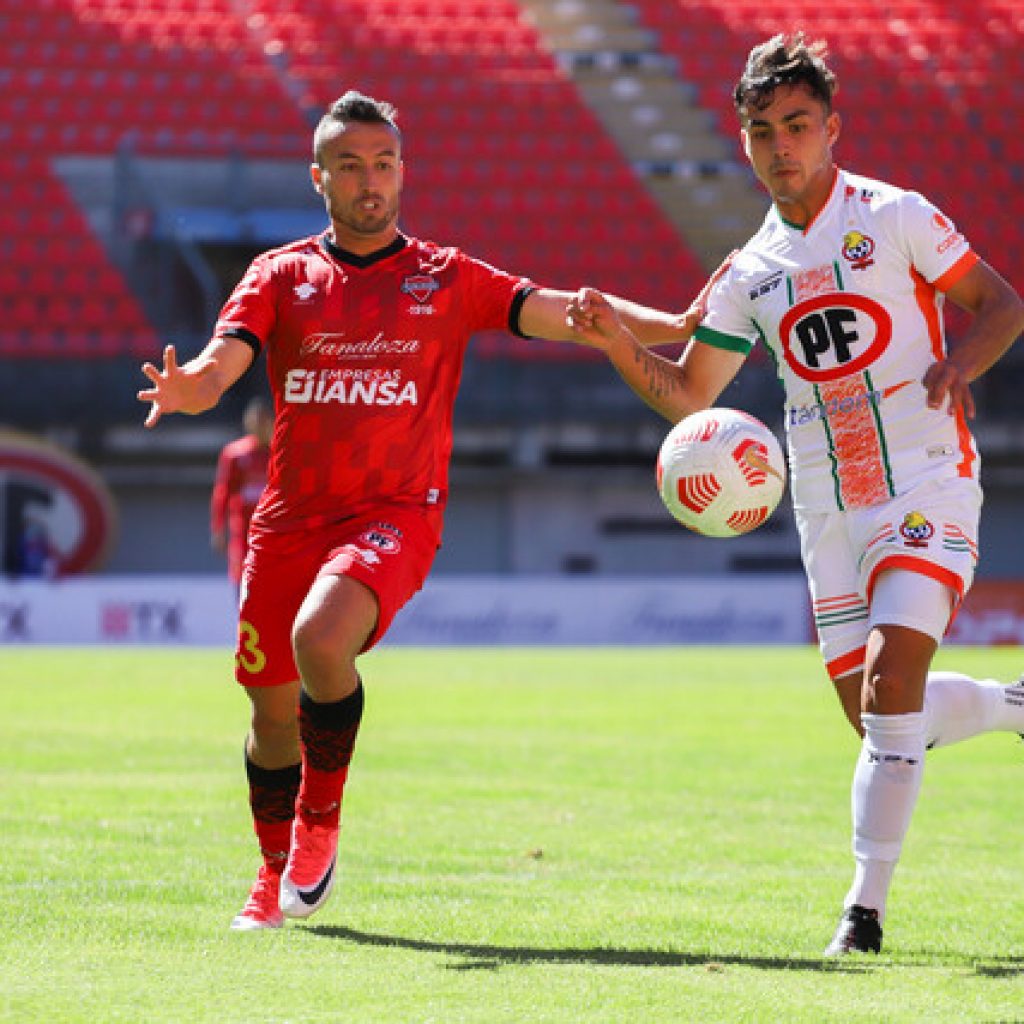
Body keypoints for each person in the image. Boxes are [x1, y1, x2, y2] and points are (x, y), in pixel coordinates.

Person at [137, 90, 710, 931]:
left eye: (384, 163)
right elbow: (228, 357)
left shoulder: (445, 276)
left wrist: (673, 322)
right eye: (350, 166)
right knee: (269, 717)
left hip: (396, 511)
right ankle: (270, 874)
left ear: (402, 170)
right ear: (319, 177)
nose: (370, 181)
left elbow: (563, 310)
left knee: (321, 637)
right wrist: (197, 386)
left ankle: (319, 825)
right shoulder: (280, 275)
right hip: (291, 521)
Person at [566, 33, 1024, 956]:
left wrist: (958, 365)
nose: (782, 146)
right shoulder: (747, 274)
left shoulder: (895, 216)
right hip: (826, 510)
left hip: (927, 481)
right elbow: (691, 395)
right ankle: (1015, 707)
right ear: (743, 140)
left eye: (799, 125)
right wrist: (618, 343)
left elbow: (1002, 303)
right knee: (875, 717)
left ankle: (864, 911)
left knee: (896, 681)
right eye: (764, 129)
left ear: (832, 129)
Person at [210, 396, 273, 592]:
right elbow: (223, 493)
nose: (259, 424)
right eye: (255, 419)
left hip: (274, 534)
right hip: (243, 536)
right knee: (244, 588)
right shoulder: (235, 454)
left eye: (263, 419)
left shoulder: (280, 452)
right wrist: (218, 529)